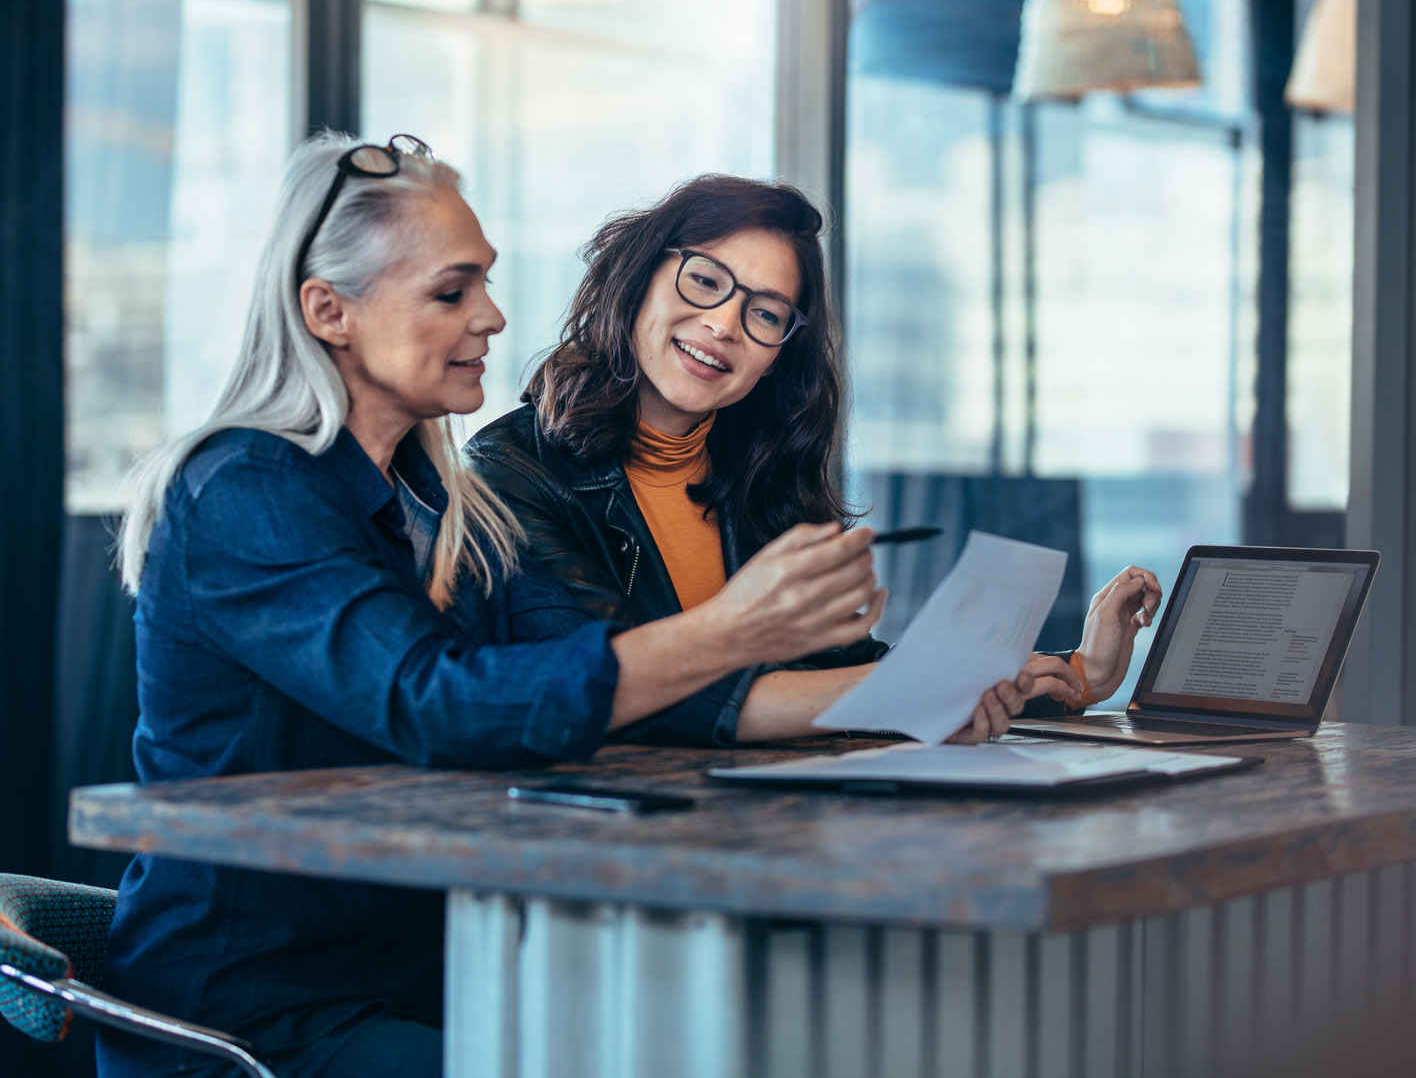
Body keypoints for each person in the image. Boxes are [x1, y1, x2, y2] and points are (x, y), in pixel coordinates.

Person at [101, 136, 930, 1078]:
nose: (492, 317)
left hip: (427, 969)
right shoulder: (245, 490)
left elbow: (595, 676)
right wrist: (733, 628)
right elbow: (436, 703)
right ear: (329, 311)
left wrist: (938, 687)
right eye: (452, 293)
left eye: (486, 285)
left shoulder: (449, 504)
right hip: (261, 1011)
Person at [467, 174, 1163, 742]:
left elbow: (840, 672)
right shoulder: (509, 474)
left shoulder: (757, 477)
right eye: (705, 281)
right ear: (639, 277)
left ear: (778, 357)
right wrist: (920, 693)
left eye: (765, 314)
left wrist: (1078, 673)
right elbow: (622, 691)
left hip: (762, 829)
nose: (723, 325)